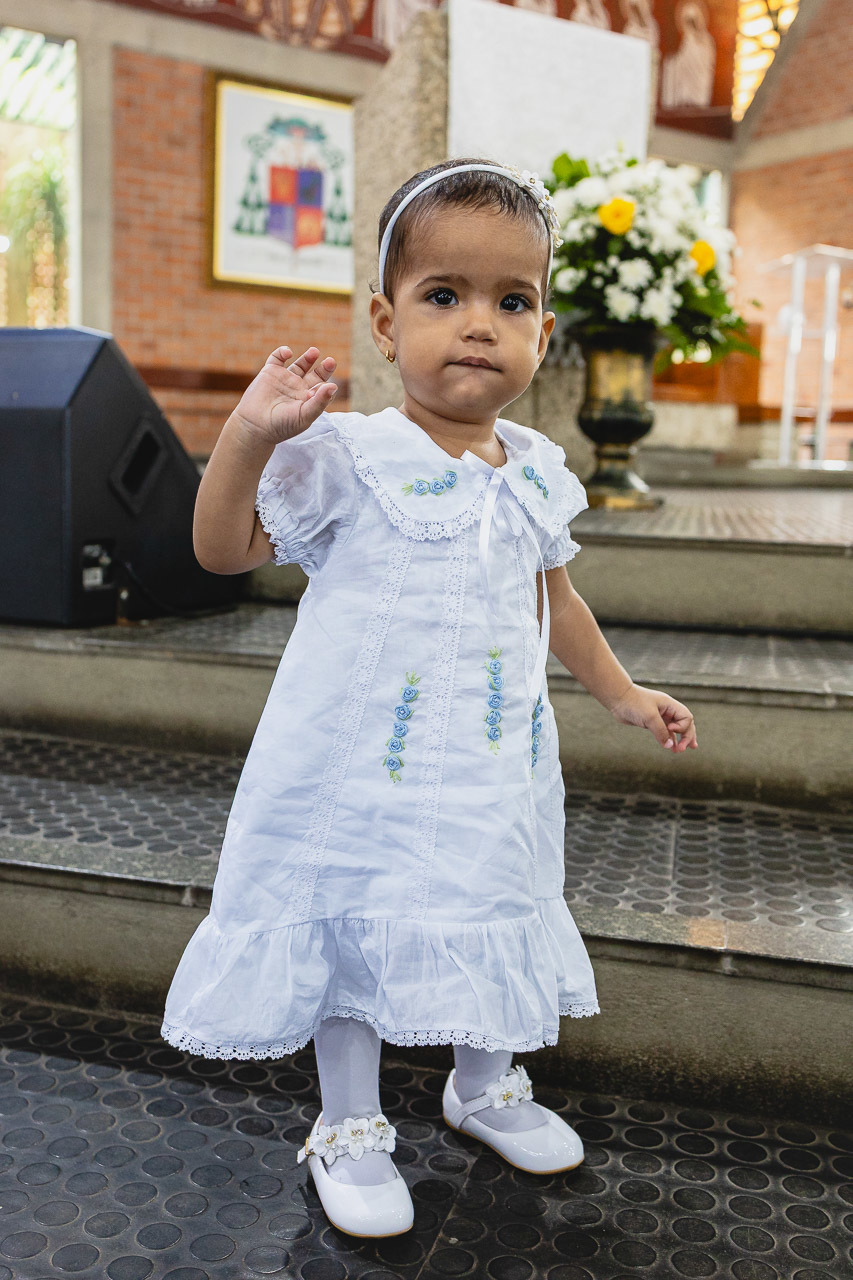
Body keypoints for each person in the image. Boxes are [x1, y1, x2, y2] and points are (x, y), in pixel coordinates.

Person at [160, 157, 698, 1238]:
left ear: (543, 335)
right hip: (356, 764)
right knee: (358, 913)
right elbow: (220, 551)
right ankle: (350, 1122)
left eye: (512, 301)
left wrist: (622, 691)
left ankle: (480, 1080)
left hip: (494, 758)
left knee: (489, 892)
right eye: (442, 295)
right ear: (382, 319)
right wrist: (251, 430)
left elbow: (554, 602)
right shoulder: (347, 456)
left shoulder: (537, 470)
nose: (477, 324)